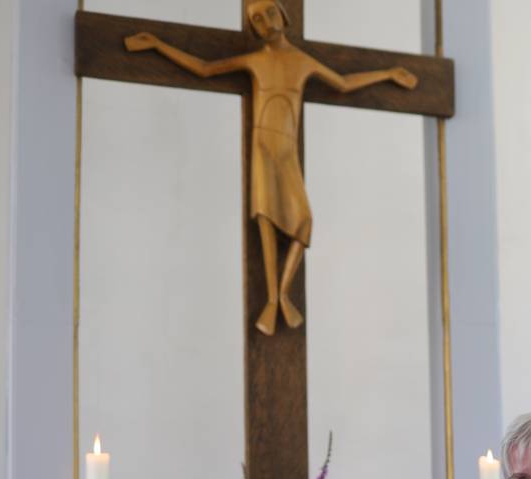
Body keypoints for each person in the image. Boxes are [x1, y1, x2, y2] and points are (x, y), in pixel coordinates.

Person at [124, 1, 418, 336]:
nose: (265, 22)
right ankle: (272, 300)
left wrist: (388, 74)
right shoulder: (255, 61)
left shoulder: (302, 62)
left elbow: (344, 82)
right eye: (257, 19)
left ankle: (280, 294)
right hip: (263, 145)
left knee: (303, 220)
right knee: (265, 218)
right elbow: (204, 68)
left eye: (270, 13)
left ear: (285, 15)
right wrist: (159, 45)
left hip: (287, 149)